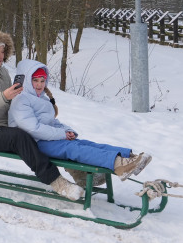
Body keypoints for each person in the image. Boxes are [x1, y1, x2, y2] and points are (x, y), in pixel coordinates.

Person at [0, 31, 84, 201]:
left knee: (41, 128)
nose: (0, 56)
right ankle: (57, 183)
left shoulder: (2, 72)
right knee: (21, 137)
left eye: (2, 51)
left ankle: (78, 172)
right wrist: (4, 96)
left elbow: (13, 101)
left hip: (4, 125)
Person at [8, 63, 151, 180]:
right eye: (35, 80)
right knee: (73, 149)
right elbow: (33, 128)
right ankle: (119, 164)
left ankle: (127, 156)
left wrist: (67, 131)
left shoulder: (41, 99)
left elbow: (51, 122)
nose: (39, 84)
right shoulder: (21, 99)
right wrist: (61, 135)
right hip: (32, 143)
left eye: (42, 80)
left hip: (46, 138)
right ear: (27, 80)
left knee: (82, 144)